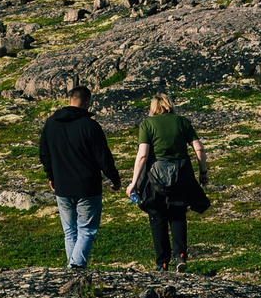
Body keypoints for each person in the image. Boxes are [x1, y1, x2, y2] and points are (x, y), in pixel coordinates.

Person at [126, 93, 210, 272]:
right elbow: (199, 148)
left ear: (153, 108)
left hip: (155, 177)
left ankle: (162, 263)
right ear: (169, 105)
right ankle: (180, 256)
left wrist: (133, 183)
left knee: (157, 217)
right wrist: (203, 172)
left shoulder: (148, 124)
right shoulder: (182, 121)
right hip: (182, 175)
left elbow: (142, 155)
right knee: (178, 215)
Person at [36, 83, 115, 270]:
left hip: (62, 186)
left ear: (69, 99)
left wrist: (51, 175)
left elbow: (44, 153)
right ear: (87, 102)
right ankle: (75, 267)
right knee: (86, 230)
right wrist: (114, 177)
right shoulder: (90, 126)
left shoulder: (51, 124)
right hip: (87, 187)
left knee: (69, 231)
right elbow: (103, 156)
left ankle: (72, 267)